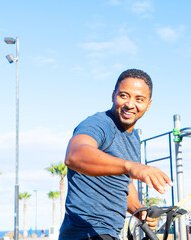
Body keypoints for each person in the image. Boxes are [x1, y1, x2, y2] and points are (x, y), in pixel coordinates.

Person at [59, 69, 173, 240]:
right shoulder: (99, 124)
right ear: (113, 95)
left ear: (148, 104)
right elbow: (74, 155)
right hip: (84, 233)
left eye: (139, 99)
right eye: (124, 96)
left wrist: (139, 211)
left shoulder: (134, 138)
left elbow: (123, 184)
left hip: (108, 234)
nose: (130, 104)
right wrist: (131, 166)